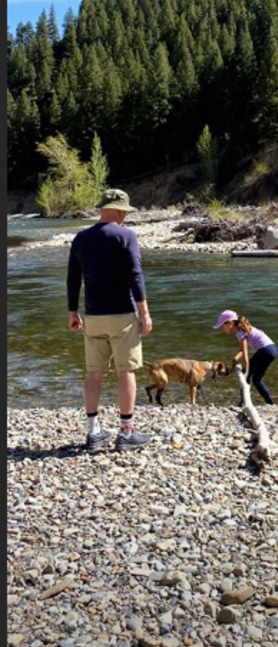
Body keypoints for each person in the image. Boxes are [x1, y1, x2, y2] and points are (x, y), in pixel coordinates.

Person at [67, 188, 153, 451]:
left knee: (94, 373)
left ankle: (94, 433)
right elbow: (135, 275)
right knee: (125, 372)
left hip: (93, 316)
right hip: (122, 316)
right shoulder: (126, 236)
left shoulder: (81, 238)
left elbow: (73, 278)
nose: (125, 216)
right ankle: (126, 432)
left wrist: (73, 312)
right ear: (117, 210)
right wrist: (144, 312)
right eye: (125, 212)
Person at [213, 309, 278, 405]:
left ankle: (243, 402)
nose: (222, 329)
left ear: (230, 323)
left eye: (222, 326)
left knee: (245, 375)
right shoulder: (243, 328)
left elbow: (245, 352)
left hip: (265, 350)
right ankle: (271, 403)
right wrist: (235, 359)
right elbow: (243, 350)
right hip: (272, 349)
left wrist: (247, 371)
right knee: (256, 380)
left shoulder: (240, 332)